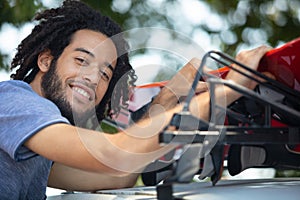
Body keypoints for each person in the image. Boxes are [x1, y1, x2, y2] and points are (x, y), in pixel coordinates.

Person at [0, 0, 272, 199]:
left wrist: (166, 100)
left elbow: (119, 174)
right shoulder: (13, 101)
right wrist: (227, 92)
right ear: (46, 60)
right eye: (82, 60)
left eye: (105, 74)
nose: (93, 78)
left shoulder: (37, 150)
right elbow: (113, 153)